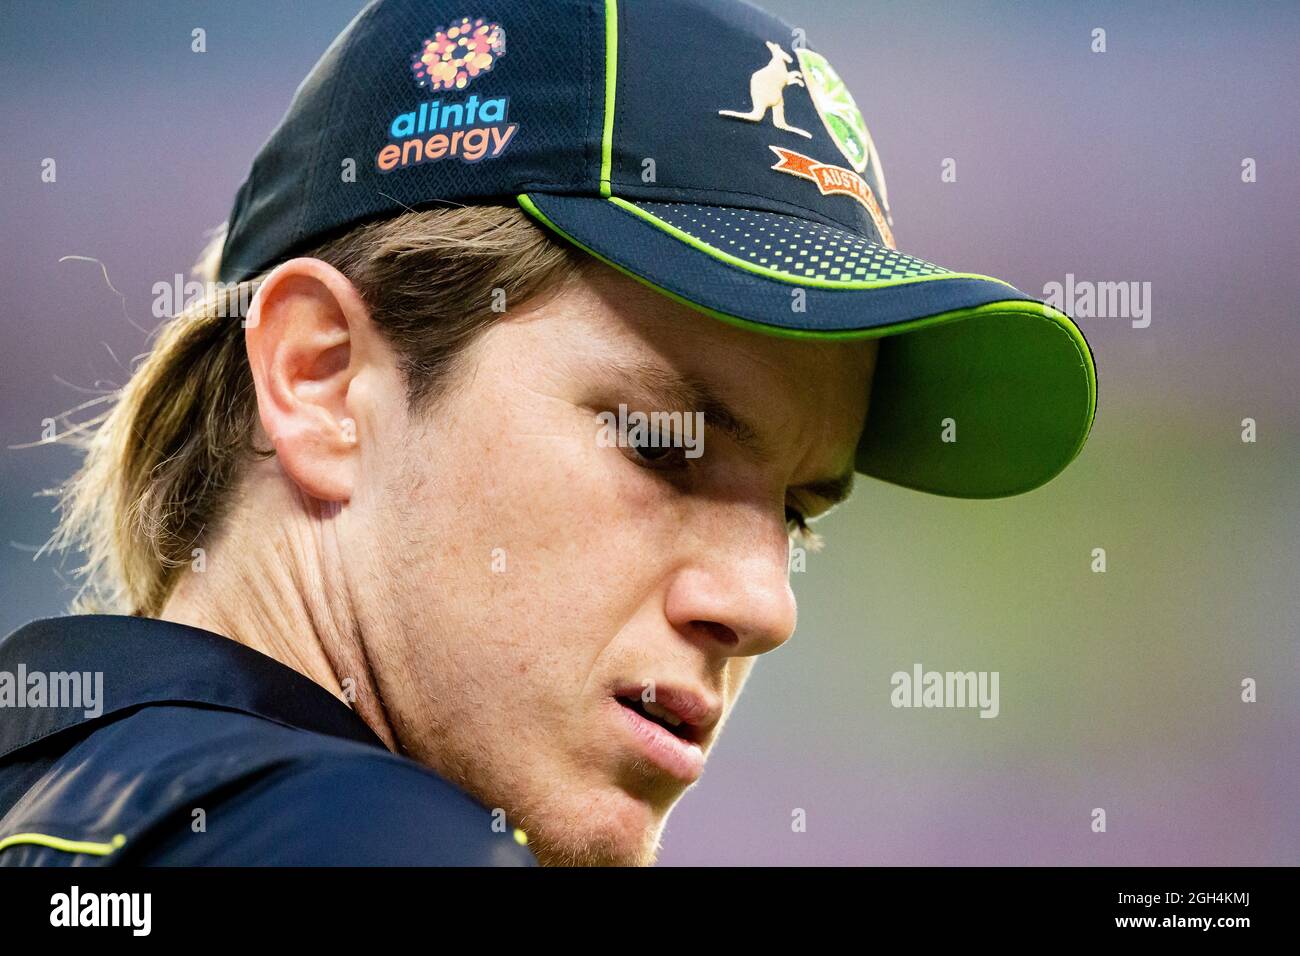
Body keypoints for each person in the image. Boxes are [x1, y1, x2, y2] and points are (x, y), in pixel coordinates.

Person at [0, 0, 1096, 867]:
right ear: (321, 377)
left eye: (797, 514)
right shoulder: (373, 838)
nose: (764, 606)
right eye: (663, 444)